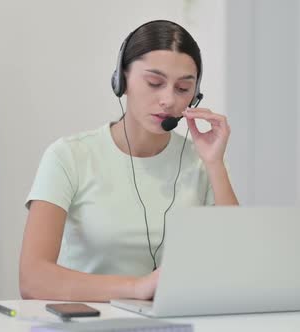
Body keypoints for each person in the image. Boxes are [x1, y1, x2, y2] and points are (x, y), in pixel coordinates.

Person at [19, 20, 238, 302]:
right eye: (154, 83)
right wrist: (136, 289)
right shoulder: (69, 156)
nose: (168, 100)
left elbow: (235, 265)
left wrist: (215, 165)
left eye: (183, 89)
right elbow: (33, 279)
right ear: (121, 80)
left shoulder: (203, 162)